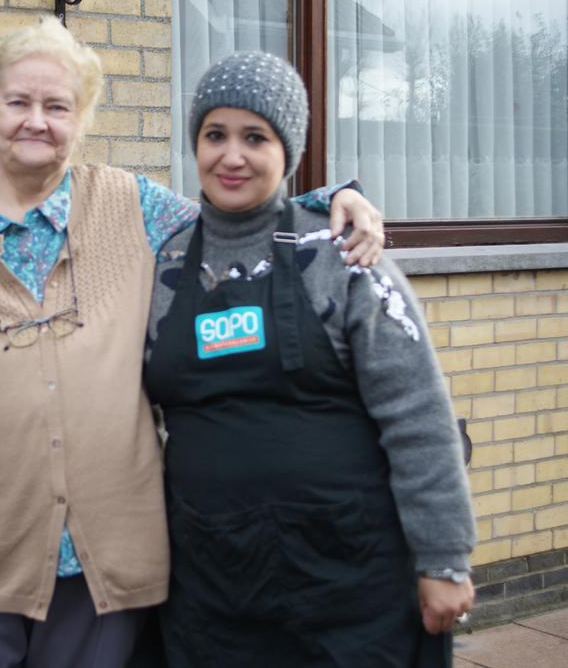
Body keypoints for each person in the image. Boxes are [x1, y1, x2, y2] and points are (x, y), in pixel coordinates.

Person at [0, 16, 385, 667]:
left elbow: (236, 220)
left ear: (82, 118)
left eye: (56, 105)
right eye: (17, 101)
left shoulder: (135, 206)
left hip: (104, 568)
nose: (35, 120)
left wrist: (332, 202)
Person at [142, 51, 475, 667]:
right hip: (210, 589)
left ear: (287, 152)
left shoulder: (341, 254)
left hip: (349, 584)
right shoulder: (161, 264)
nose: (232, 156)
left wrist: (444, 557)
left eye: (256, 137)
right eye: (215, 134)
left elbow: (418, 415)